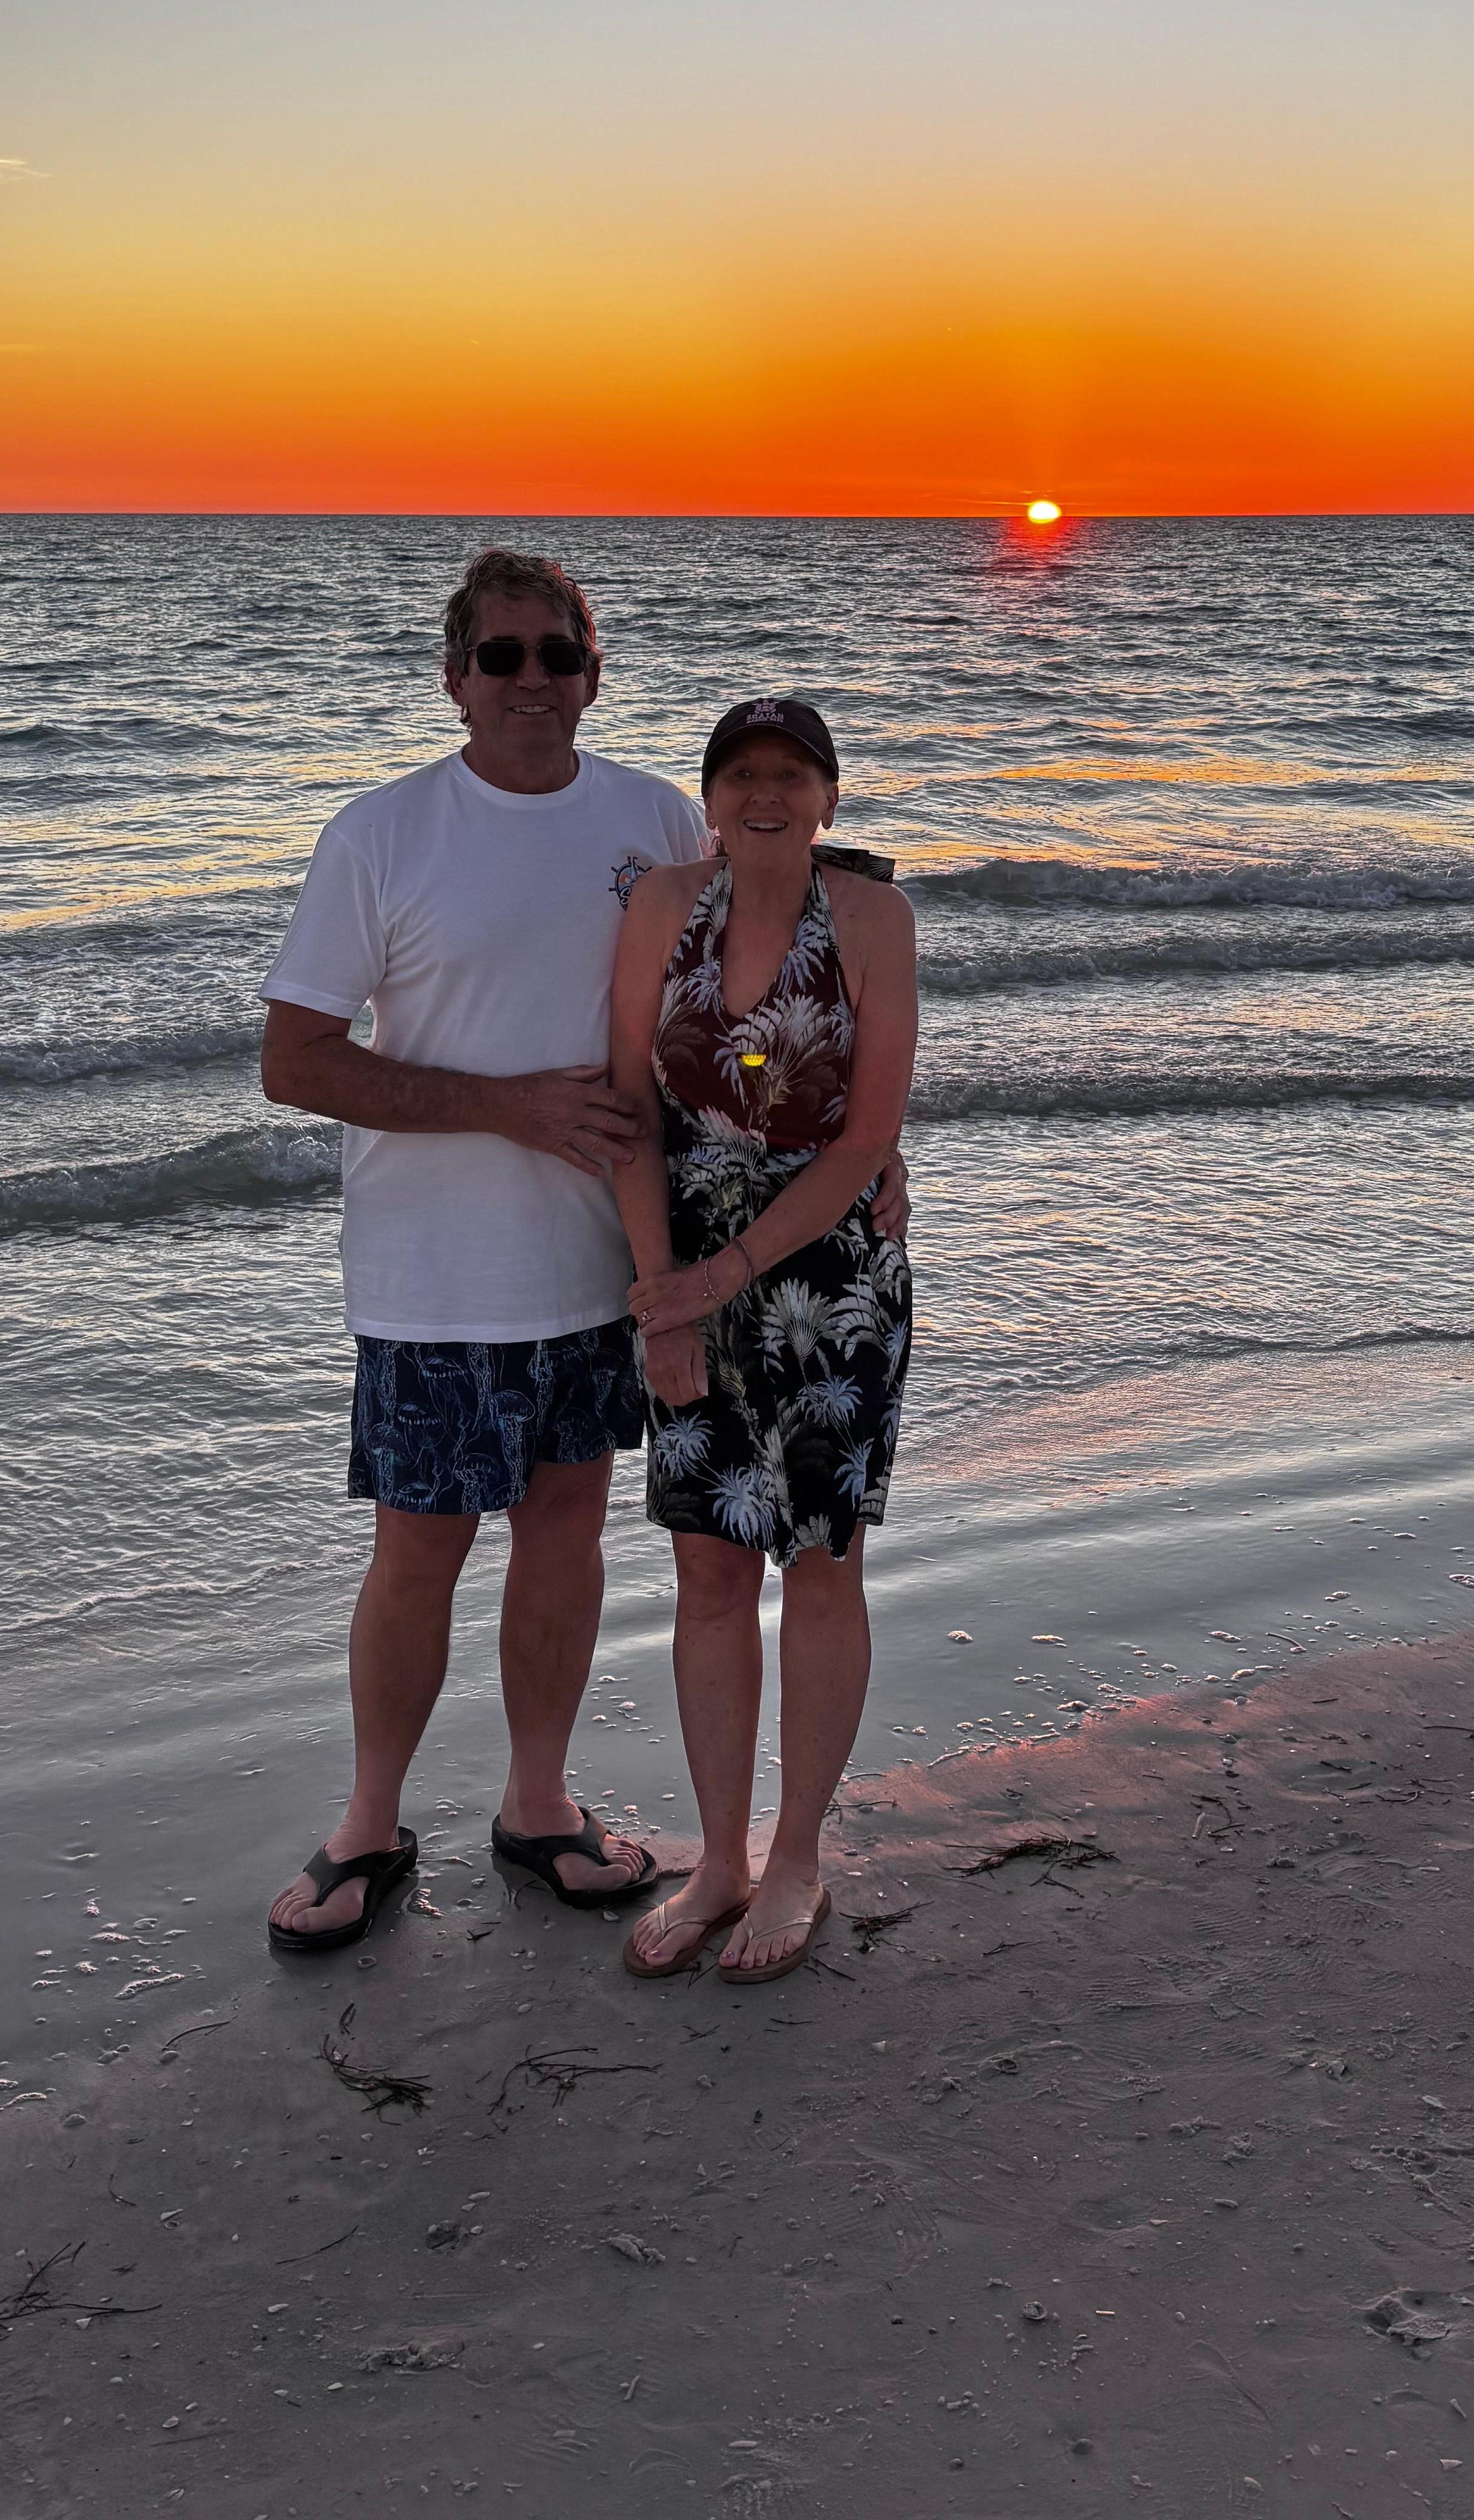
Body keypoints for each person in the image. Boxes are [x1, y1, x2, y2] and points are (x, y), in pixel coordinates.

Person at [255, 547, 705, 1948]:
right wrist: (504, 1111)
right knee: (419, 1550)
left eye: (556, 656)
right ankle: (367, 1828)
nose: (530, 682)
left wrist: (851, 1168)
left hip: (599, 1261)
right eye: (500, 657)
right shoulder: (382, 834)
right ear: (454, 678)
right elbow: (296, 1061)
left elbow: (711, 1032)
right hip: (432, 1275)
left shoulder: (657, 820)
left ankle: (538, 1806)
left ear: (593, 672)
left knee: (566, 1537)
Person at [607, 697, 918, 1987]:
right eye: (740, 775)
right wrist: (663, 1291)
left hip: (830, 1284)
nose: (765, 795)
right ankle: (721, 1859)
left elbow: (862, 1141)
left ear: (830, 799)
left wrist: (724, 1272)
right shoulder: (661, 906)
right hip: (684, 1274)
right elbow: (627, 1110)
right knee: (709, 1570)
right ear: (710, 799)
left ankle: (798, 1856)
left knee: (821, 1564)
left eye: (793, 775)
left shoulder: (872, 920)